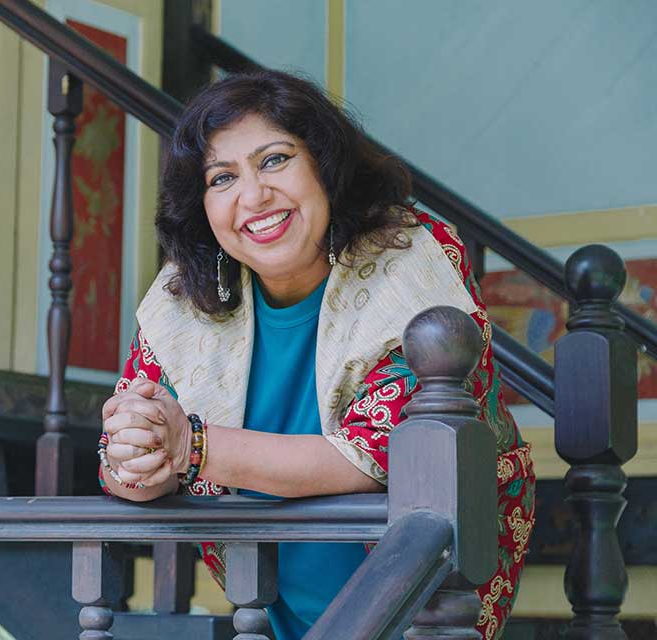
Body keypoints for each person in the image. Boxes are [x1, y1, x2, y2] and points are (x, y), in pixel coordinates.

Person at [98, 70, 535, 640]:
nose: (252, 196)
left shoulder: (411, 257)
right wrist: (135, 456)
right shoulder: (183, 297)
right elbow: (131, 469)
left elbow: (374, 455)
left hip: (431, 590)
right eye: (222, 177)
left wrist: (188, 445)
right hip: (272, 596)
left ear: (324, 166)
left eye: (275, 160)